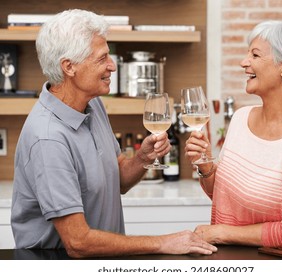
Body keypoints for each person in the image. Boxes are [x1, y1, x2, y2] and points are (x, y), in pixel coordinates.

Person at [11, 9, 217, 258]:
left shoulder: (93, 104)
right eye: (102, 58)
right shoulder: (48, 138)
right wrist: (163, 242)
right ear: (69, 67)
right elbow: (78, 243)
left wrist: (143, 159)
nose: (112, 66)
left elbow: (117, 178)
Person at [185, 20, 282, 248]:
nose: (244, 63)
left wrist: (219, 233)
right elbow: (227, 201)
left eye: (255, 55)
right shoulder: (241, 119)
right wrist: (205, 167)